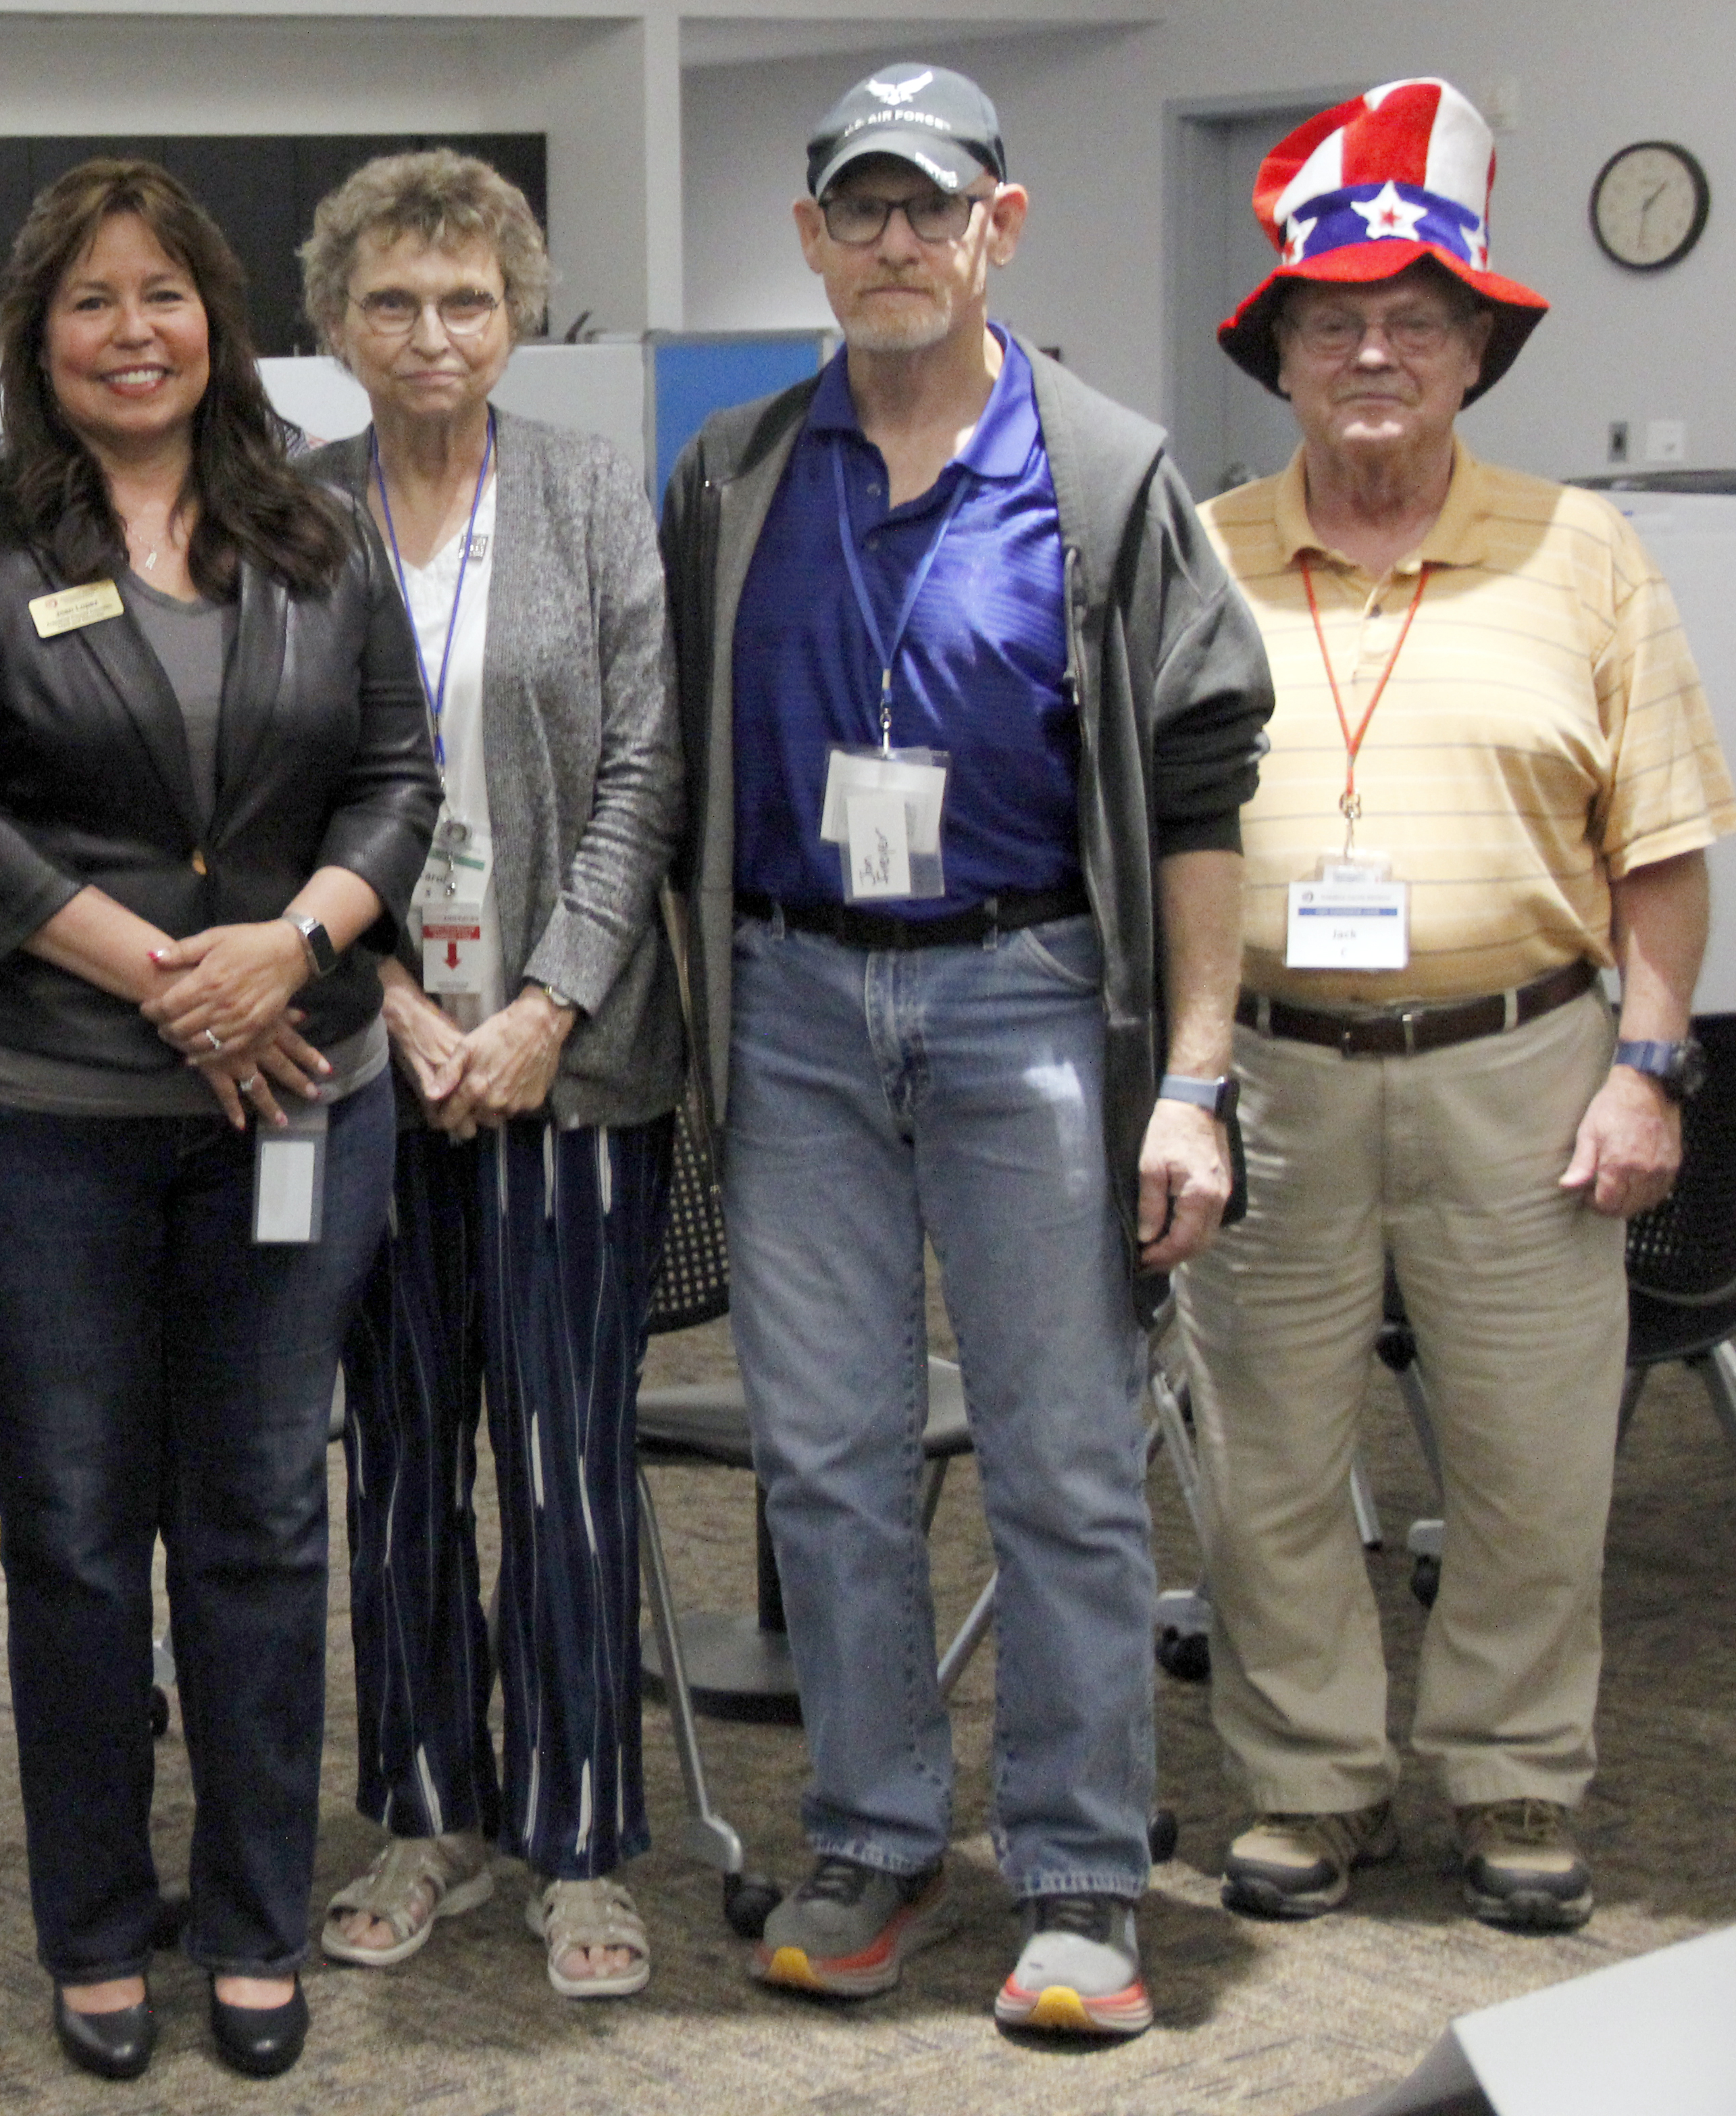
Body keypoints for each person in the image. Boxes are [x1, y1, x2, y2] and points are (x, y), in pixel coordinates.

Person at [658, 65, 1272, 2038]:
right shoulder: (736, 474)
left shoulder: (1105, 471)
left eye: (931, 209)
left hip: (1023, 996)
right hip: (795, 1007)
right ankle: (872, 1830)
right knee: (828, 1455)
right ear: (813, 240)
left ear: (997, 227)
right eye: (861, 210)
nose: (896, 244)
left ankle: (1082, 1865)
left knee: (1064, 1455)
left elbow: (1197, 795)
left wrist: (1191, 1076)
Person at [0, 157, 440, 2084]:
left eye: (165, 293)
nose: (133, 329)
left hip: (294, 1099)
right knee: (80, 1527)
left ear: (220, 320)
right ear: (40, 333)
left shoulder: (313, 519)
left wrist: (284, 947)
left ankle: (256, 1914)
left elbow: (394, 778)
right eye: (91, 299)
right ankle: (98, 1922)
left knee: (269, 1512)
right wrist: (173, 976)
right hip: (37, 1109)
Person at [1183, 79, 1732, 1935]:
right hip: (1269, 1067)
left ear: (1472, 351)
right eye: (1330, 320)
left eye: (1413, 321)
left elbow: (1659, 849)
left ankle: (1510, 1779)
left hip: (1523, 1063)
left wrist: (1648, 1067)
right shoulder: (1198, 552)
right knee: (1268, 1453)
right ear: (1275, 351)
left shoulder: (1581, 553)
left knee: (1525, 1448)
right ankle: (1304, 1780)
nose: (1370, 353)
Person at [290, 149, 683, 2002]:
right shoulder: (288, 517)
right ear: (335, 324)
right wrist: (391, 1007)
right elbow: (269, 799)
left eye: (463, 299)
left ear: (514, 315)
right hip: (369, 1058)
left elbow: (640, 779)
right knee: (397, 1458)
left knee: (565, 1458)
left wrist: (539, 1007)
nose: (429, 333)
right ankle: (425, 1807)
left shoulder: (599, 498)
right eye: (391, 300)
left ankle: (583, 1834)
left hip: (567, 1071)